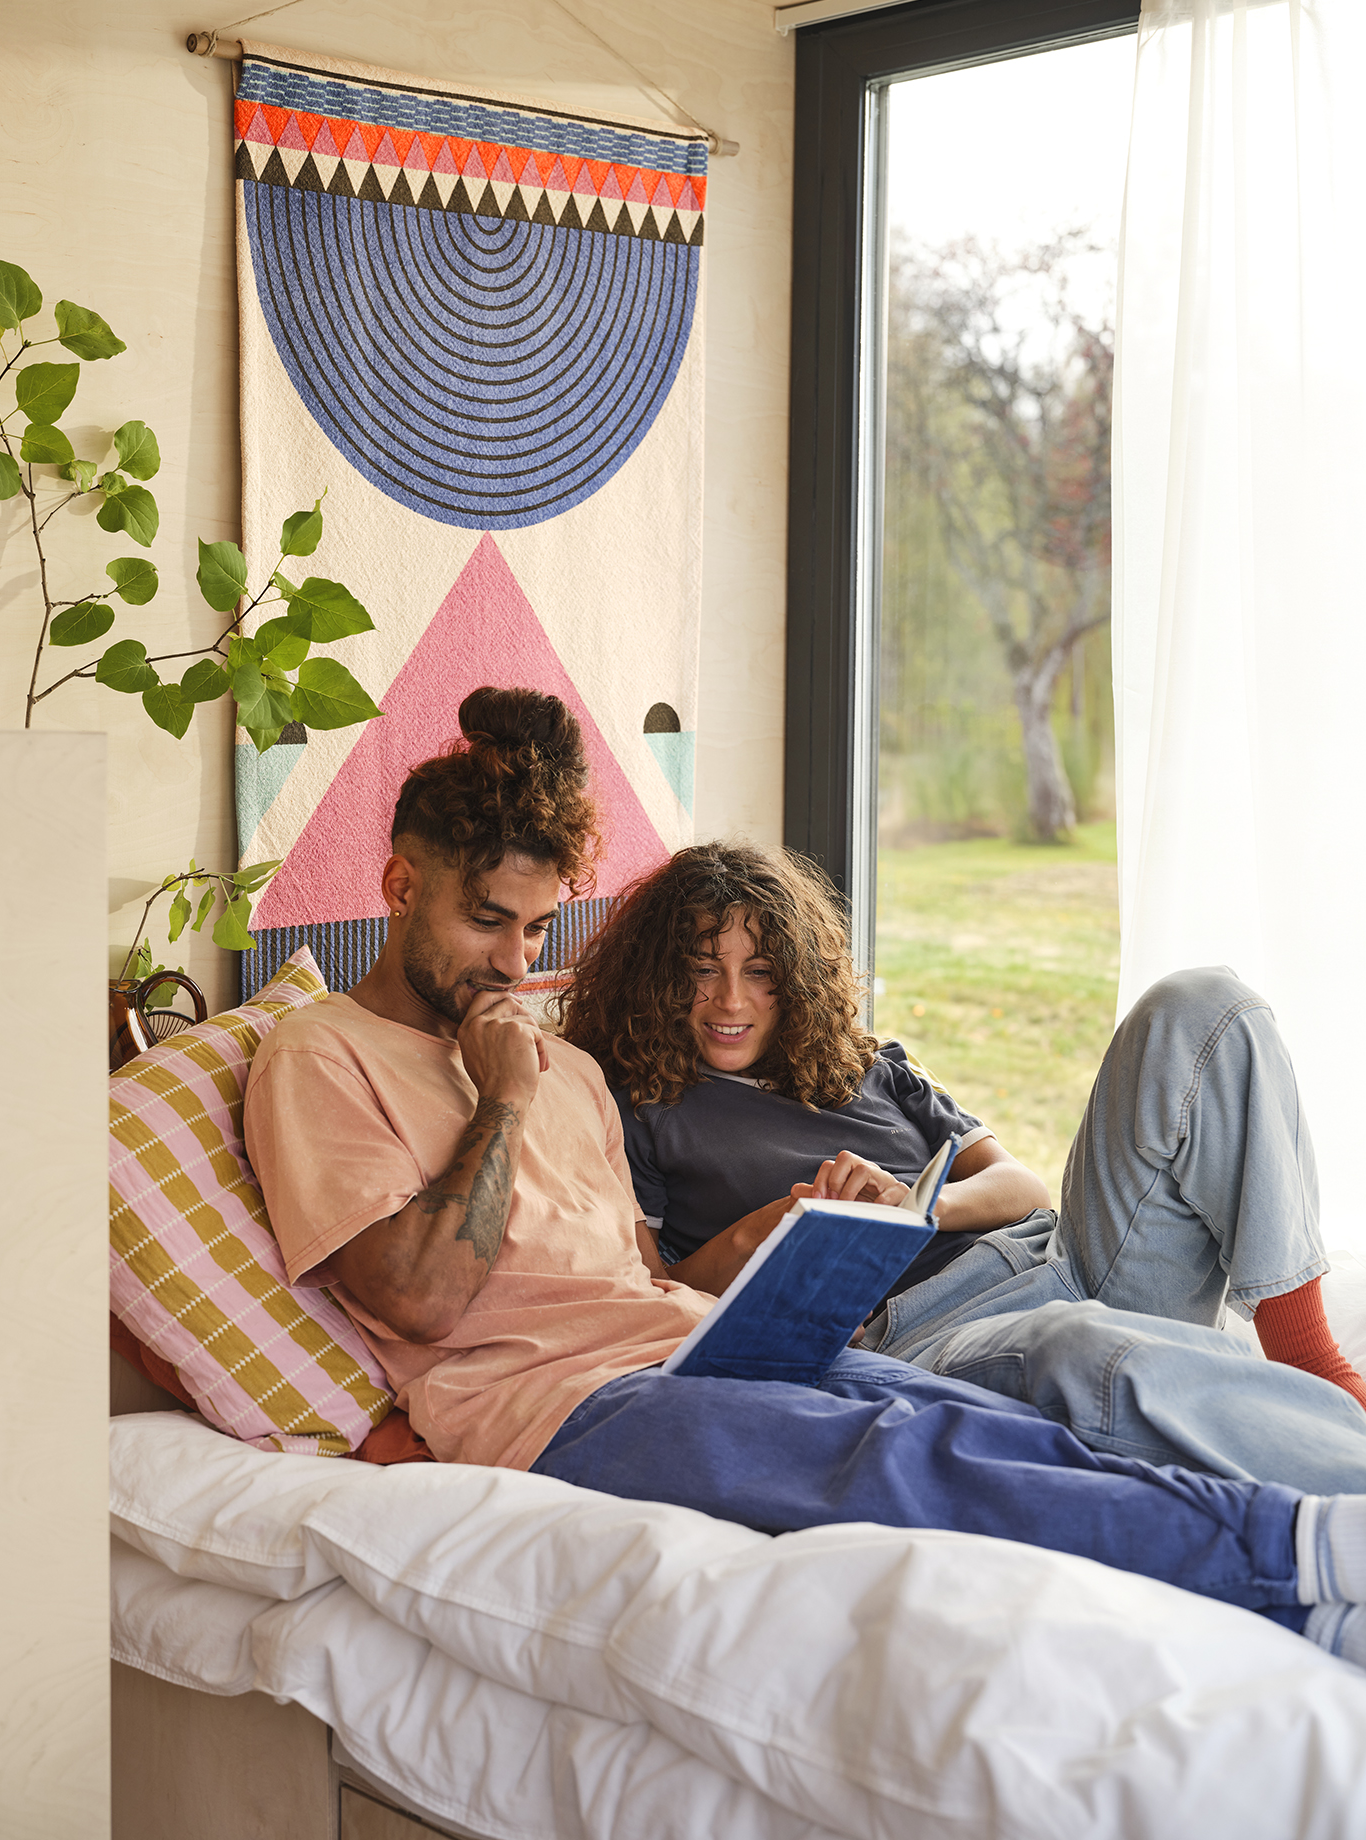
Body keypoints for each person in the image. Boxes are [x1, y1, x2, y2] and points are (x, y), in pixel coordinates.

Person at [245, 686, 1366, 1671]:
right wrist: (500, 1097)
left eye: (538, 930)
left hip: (708, 1350)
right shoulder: (319, 1055)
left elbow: (641, 1271)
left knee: (998, 1432)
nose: (516, 964)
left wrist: (778, 1267)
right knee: (917, 1457)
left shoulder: (567, 1070)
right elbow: (418, 1297)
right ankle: (1293, 1555)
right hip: (571, 1406)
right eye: (488, 922)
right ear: (400, 885)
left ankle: (1303, 1561)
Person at [557, 839, 1366, 1495]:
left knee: (1203, 1006)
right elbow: (649, 1291)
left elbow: (1020, 1186)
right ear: (660, 978)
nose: (731, 999)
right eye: (702, 969)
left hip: (1063, 1255)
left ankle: (1307, 1355)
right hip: (925, 1331)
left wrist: (913, 1207)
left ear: (794, 976)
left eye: (760, 972)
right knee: (1082, 1345)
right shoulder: (635, 1109)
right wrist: (777, 1231)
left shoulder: (869, 1065)